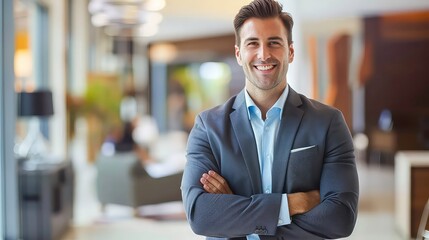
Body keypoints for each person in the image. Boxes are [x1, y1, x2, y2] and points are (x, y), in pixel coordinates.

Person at [180, 0, 359, 239]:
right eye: (252, 43)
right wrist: (293, 203)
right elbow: (201, 216)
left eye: (274, 42)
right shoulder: (208, 126)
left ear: (290, 51)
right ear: (239, 54)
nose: (264, 54)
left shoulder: (328, 122)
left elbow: (340, 219)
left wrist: (237, 210)